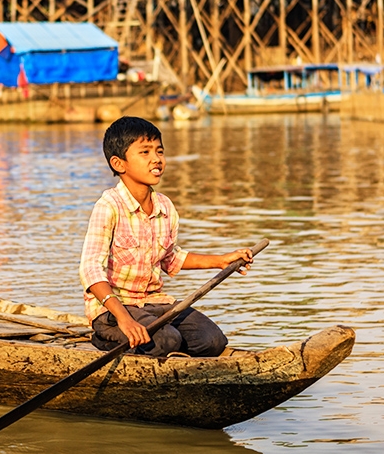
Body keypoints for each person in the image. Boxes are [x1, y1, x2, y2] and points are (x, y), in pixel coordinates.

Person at [79, 116, 254, 357]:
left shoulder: (164, 207)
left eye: (159, 151)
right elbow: (90, 270)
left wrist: (223, 260)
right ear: (119, 164)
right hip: (114, 309)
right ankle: (106, 337)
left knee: (212, 341)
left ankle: (157, 344)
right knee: (167, 340)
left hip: (154, 303)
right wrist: (124, 319)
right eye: (145, 152)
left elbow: (170, 259)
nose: (156, 159)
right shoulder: (109, 206)